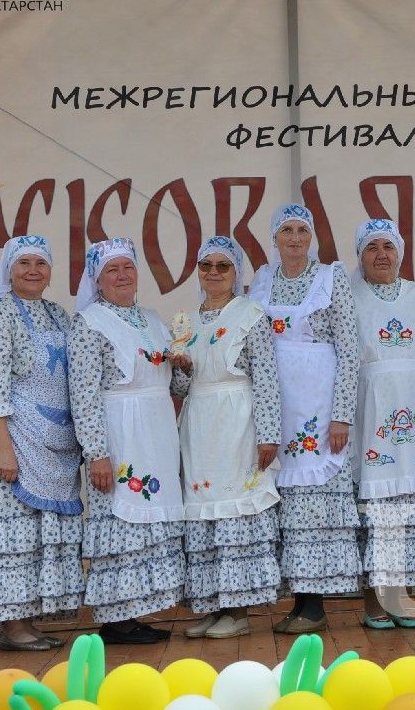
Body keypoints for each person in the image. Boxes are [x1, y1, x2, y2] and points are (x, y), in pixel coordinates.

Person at [0, 236, 86, 650]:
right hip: (16, 439)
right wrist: (4, 448)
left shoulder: (58, 314)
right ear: (8, 269)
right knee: (15, 538)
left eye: (41, 262)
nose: (33, 270)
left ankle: (29, 622)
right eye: (24, 263)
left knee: (42, 537)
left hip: (57, 443)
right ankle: (13, 627)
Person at [67, 238, 187, 644]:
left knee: (150, 517)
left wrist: (183, 366)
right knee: (120, 518)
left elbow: (176, 384)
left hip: (156, 429)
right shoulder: (88, 324)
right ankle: (116, 620)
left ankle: (136, 612)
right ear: (97, 280)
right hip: (118, 432)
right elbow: (82, 395)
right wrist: (96, 453)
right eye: (111, 271)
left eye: (127, 268)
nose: (121, 276)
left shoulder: (154, 319)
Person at [248, 204, 361, 634]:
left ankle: (313, 605)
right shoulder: (261, 282)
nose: (295, 239)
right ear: (274, 238)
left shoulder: (331, 279)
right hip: (275, 401)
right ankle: (298, 599)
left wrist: (341, 416)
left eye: (302, 230)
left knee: (313, 499)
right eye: (286, 231)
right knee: (285, 497)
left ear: (311, 237)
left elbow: (350, 349)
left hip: (318, 400)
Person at [176, 236, 282, 639]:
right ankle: (212, 605)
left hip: (238, 422)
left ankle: (238, 611)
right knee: (204, 509)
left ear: (236, 272)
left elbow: (268, 381)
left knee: (235, 508)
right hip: (199, 424)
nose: (214, 273)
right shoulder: (186, 321)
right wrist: (182, 368)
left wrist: (268, 435)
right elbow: (182, 388)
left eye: (223, 266)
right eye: (206, 265)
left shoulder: (251, 315)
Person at [350, 219, 415, 629]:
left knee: (408, 501)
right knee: (376, 503)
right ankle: (374, 600)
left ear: (401, 253)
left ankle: (401, 598)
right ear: (360, 256)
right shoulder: (348, 297)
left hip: (414, 404)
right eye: (372, 248)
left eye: (388, 246)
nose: (381, 255)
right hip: (370, 405)